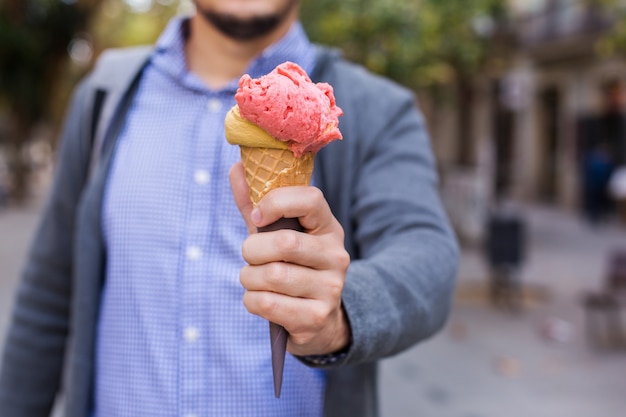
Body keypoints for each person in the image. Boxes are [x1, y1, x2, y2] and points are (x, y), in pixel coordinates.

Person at [0, 1, 458, 416]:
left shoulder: (377, 109)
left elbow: (427, 257)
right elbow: (47, 298)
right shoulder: (103, 96)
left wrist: (339, 315)